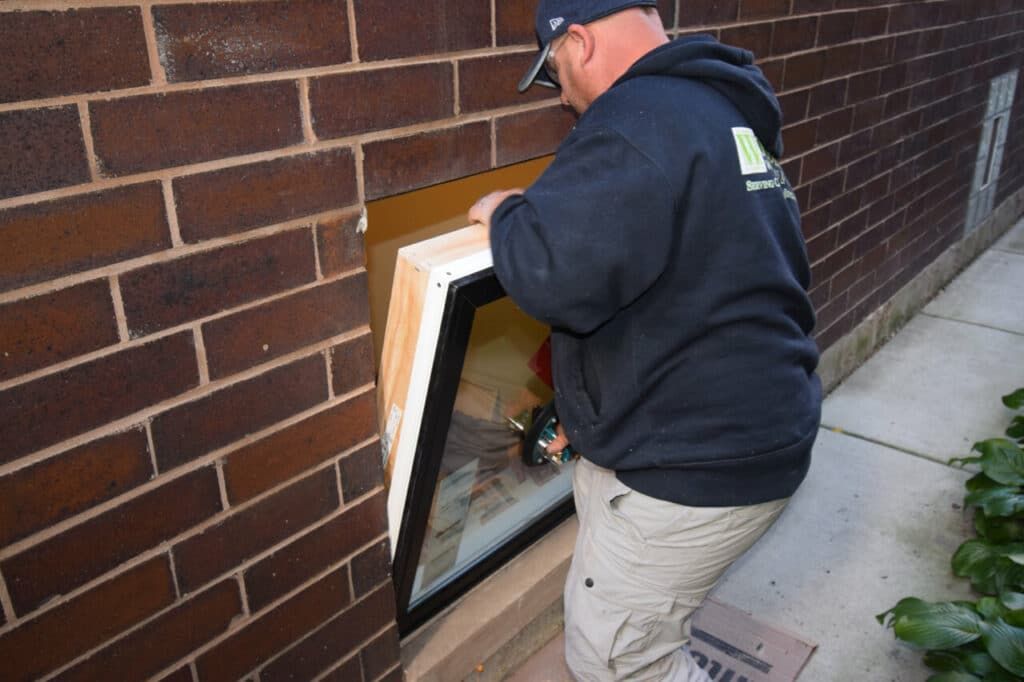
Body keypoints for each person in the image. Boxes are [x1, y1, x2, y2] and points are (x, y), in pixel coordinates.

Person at [468, 1, 822, 679]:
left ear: (578, 42)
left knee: (616, 659)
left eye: (554, 74)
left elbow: (552, 275)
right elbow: (683, 278)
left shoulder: (634, 121)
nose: (563, 97)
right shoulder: (716, 112)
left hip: (701, 459)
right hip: (756, 421)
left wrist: (506, 216)